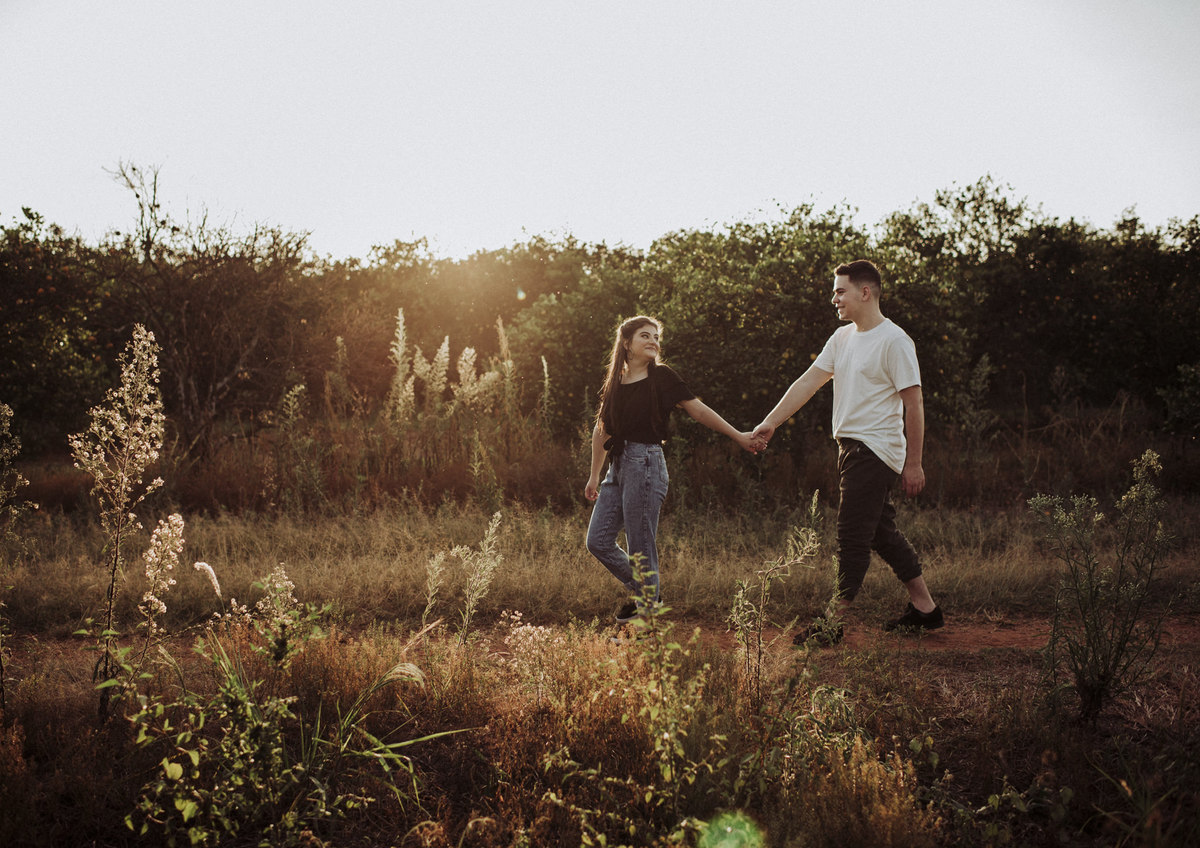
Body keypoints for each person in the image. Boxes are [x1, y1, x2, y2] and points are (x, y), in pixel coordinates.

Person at [752, 259, 943, 644]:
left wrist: (915, 463)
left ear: (865, 292)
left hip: (875, 451)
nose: (834, 298)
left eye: (840, 291)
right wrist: (771, 422)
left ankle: (831, 623)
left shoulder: (895, 340)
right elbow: (809, 381)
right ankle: (926, 610)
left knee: (851, 536)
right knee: (880, 533)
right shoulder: (842, 339)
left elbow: (914, 404)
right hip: (851, 448)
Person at [586, 315, 758, 622]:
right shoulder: (615, 381)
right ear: (627, 343)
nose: (653, 341)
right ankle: (649, 595)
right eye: (645, 336)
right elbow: (602, 431)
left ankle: (646, 615)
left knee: (640, 543)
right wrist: (594, 475)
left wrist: (739, 436)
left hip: (646, 464)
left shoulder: (661, 377)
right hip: (618, 468)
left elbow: (698, 410)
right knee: (597, 541)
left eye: (656, 336)